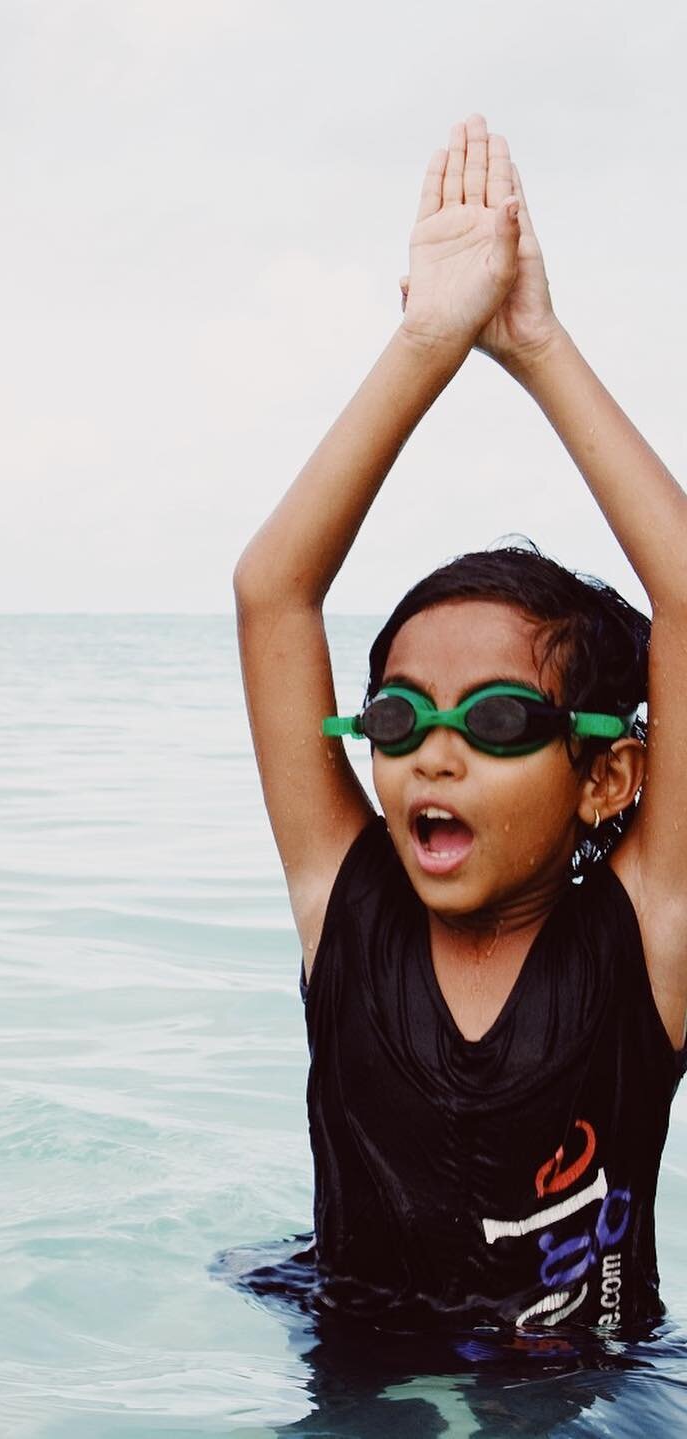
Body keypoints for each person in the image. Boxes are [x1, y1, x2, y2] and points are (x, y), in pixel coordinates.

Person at [233, 115, 687, 1332]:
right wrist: (424, 341)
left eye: (495, 719)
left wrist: (533, 345)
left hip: (582, 1394)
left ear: (609, 774)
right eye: (396, 714)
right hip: (353, 1365)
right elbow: (273, 590)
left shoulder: (645, 945)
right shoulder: (348, 902)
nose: (434, 747)